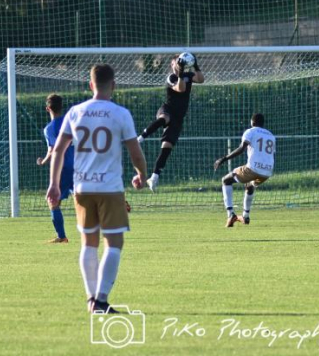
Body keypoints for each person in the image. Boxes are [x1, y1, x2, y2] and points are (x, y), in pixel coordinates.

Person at [47, 64, 148, 314]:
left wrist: (54, 184)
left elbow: (58, 150)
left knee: (88, 244)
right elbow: (135, 153)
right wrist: (142, 175)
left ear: (90, 84)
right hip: (109, 188)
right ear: (113, 85)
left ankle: (91, 298)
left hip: (82, 188)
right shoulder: (120, 113)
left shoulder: (75, 112)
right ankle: (101, 300)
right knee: (113, 244)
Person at [137, 53, 204, 192]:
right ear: (172, 65)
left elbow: (201, 79)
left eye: (180, 63)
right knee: (163, 119)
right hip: (167, 109)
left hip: (179, 117)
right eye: (176, 63)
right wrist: (180, 73)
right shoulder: (172, 77)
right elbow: (181, 88)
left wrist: (196, 65)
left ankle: (154, 178)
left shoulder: (189, 75)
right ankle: (140, 138)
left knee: (166, 147)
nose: (179, 65)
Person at [213, 113, 275, 227]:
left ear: (253, 122)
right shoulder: (271, 135)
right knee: (250, 185)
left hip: (253, 169)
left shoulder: (250, 131)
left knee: (226, 180)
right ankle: (245, 216)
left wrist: (224, 159)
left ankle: (230, 214)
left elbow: (242, 148)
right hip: (267, 172)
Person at [37, 94, 75, 244]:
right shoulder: (71, 122)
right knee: (84, 200)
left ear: (47, 109)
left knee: (53, 201)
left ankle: (61, 236)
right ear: (61, 107)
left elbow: (53, 150)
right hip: (79, 166)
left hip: (63, 168)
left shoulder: (49, 129)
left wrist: (43, 161)